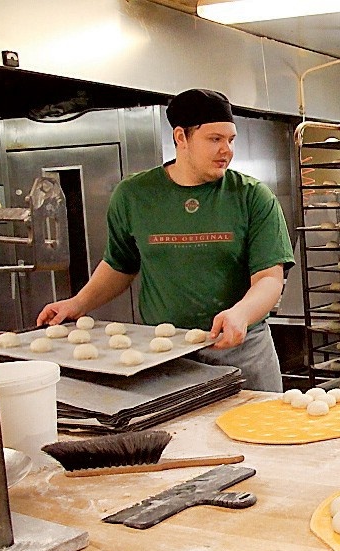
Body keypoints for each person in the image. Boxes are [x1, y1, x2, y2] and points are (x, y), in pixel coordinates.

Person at [37, 88, 294, 392]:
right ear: (181, 137)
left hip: (240, 350)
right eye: (215, 139)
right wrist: (78, 303)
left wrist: (241, 314)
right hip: (164, 352)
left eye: (231, 139)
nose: (226, 150)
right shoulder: (134, 195)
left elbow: (269, 278)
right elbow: (119, 265)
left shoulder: (251, 196)